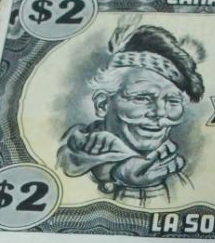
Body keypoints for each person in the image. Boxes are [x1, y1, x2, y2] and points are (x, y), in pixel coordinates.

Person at [58, 23, 204, 204]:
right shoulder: (67, 164)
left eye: (172, 101)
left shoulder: (174, 171)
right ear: (103, 103)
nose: (160, 113)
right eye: (142, 98)